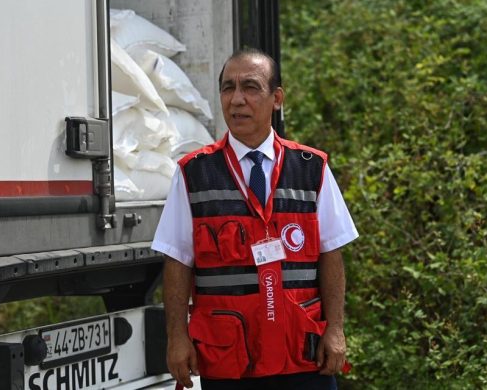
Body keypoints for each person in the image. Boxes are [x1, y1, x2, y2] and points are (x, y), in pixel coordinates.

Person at [151, 49, 359, 390]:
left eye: (250, 87)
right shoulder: (193, 173)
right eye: (227, 88)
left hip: (302, 354)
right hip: (230, 357)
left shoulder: (311, 167)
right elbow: (177, 261)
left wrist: (335, 329)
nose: (236, 100)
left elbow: (331, 254)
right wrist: (177, 338)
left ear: (276, 98)